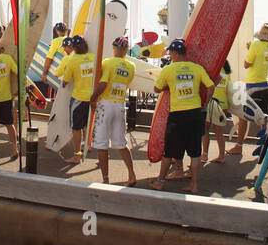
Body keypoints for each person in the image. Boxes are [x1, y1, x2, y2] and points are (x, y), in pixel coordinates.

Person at [150, 38, 214, 194]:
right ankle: (194, 185)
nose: (170, 55)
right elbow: (211, 86)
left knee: (169, 151)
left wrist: (169, 86)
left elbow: (157, 89)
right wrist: (205, 103)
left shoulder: (168, 69)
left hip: (178, 115)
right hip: (195, 113)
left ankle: (160, 182)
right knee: (195, 151)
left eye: (170, 52)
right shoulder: (196, 68)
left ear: (176, 53)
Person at [89, 36, 137, 185]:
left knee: (101, 144)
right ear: (125, 49)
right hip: (120, 105)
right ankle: (132, 175)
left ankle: (106, 180)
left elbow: (103, 83)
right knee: (121, 143)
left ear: (115, 48)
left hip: (106, 103)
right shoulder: (131, 66)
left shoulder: (107, 63)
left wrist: (93, 98)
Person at [228, 23, 268, 158]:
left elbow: (246, 64)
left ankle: (239, 146)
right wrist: (251, 50)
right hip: (264, 85)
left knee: (243, 116)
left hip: (253, 85)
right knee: (263, 116)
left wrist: (250, 50)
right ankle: (265, 145)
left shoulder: (255, 45)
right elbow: (260, 60)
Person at [54, 34, 96, 166]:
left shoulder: (72, 60)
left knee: (76, 128)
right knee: (87, 125)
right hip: (92, 98)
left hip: (78, 98)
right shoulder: (93, 57)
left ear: (73, 47)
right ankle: (88, 146)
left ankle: (77, 155)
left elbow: (65, 80)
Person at [203, 60, 233, 165]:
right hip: (223, 103)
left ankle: (204, 154)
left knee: (205, 129)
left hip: (213, 101)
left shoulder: (213, 67)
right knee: (219, 131)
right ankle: (221, 156)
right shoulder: (227, 70)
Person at [40, 22, 70, 89]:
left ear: (56, 31)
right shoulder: (70, 40)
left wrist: (44, 73)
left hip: (58, 73)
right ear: (66, 30)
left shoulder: (55, 41)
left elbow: (49, 58)